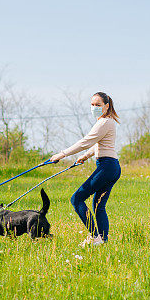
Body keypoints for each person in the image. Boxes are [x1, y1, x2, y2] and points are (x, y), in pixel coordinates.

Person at [50, 91, 121, 246]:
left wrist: (62, 154)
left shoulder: (104, 122)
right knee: (98, 205)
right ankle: (102, 240)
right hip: (112, 167)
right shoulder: (107, 121)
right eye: (92, 105)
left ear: (106, 106)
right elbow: (98, 144)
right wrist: (85, 156)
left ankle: (95, 237)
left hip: (107, 166)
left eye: (98, 105)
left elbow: (86, 142)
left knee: (77, 198)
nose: (94, 107)